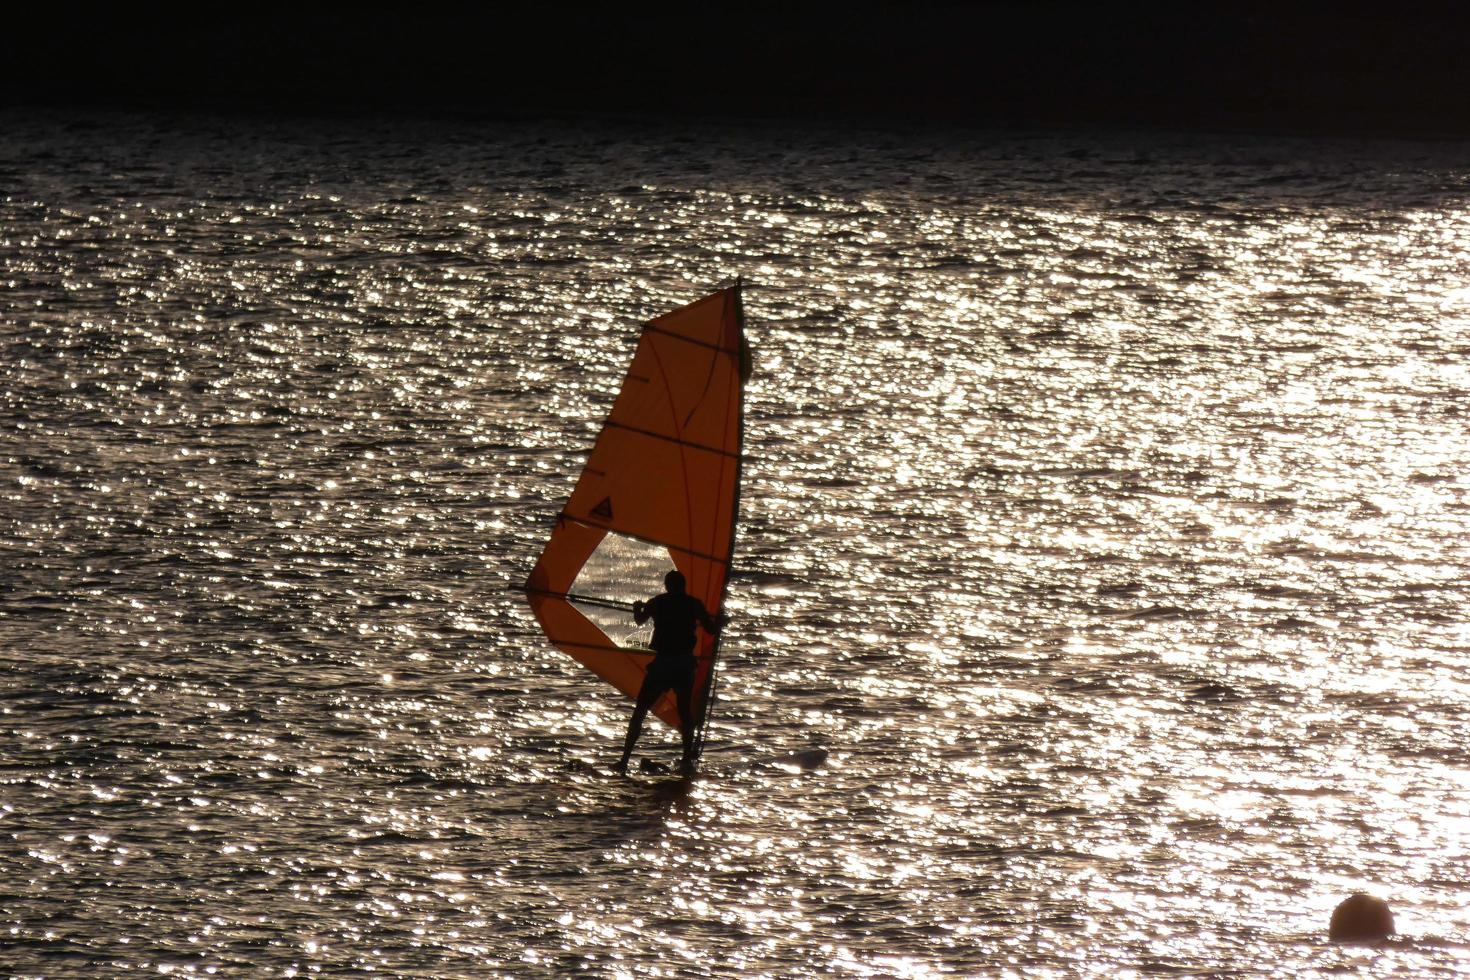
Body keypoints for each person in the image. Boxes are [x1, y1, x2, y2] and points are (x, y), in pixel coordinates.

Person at [614, 570, 722, 775]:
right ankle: (686, 759)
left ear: (667, 586)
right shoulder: (694, 604)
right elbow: (711, 629)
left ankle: (624, 760)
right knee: (684, 714)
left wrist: (636, 608)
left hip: (664, 664)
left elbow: (639, 620)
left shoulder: (658, 602)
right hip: (683, 665)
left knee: (640, 711)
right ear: (684, 586)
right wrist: (719, 620)